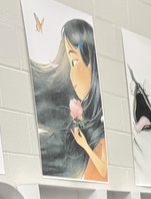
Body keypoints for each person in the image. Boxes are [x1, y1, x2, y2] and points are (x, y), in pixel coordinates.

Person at [30, 18, 107, 181]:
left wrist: (84, 144)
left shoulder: (100, 134)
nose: (71, 76)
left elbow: (103, 169)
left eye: (74, 61)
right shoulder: (79, 118)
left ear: (92, 62)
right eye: (70, 64)